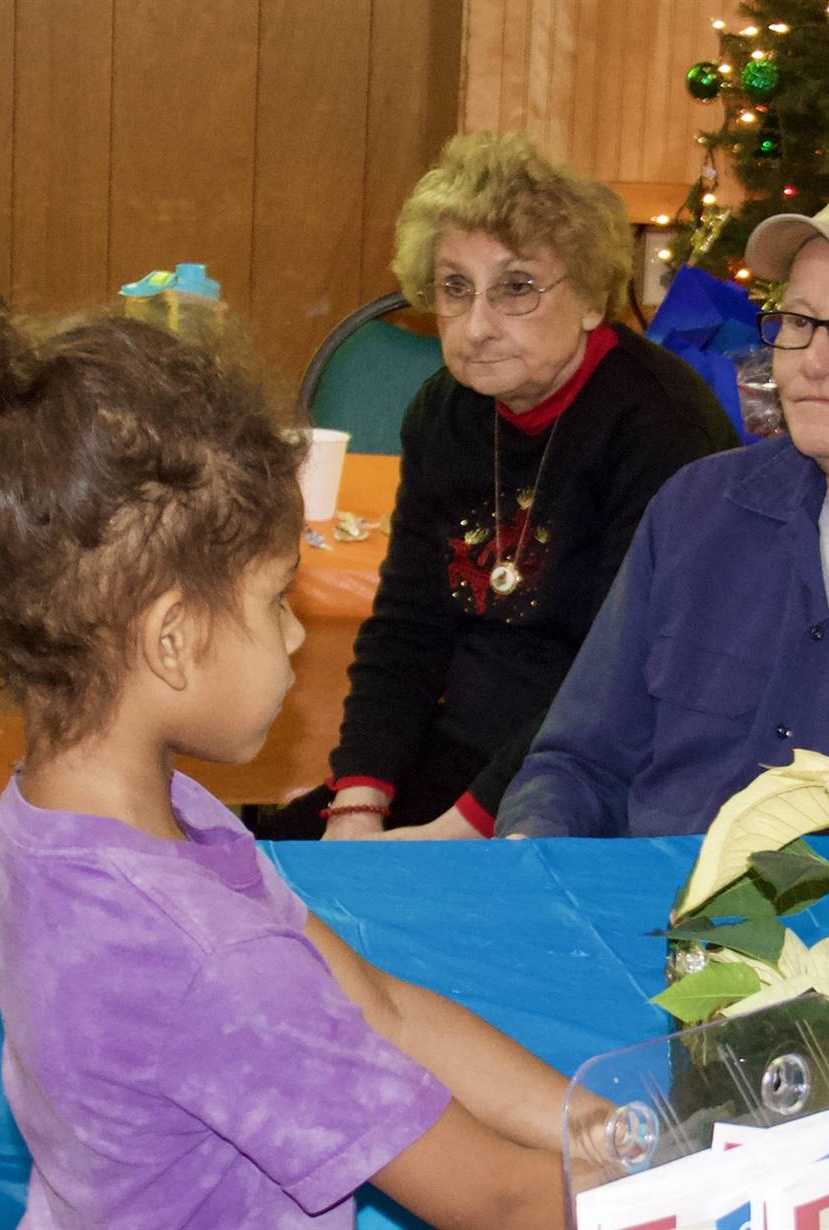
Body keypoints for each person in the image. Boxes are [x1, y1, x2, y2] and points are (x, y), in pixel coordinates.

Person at [0, 288, 574, 1226]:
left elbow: (379, 1008)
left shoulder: (95, 815)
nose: (300, 636)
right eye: (276, 600)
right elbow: (504, 1200)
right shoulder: (209, 964)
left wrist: (615, 1126)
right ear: (174, 639)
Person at [390, 169, 829, 841]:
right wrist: (536, 866)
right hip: (624, 928)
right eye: (799, 321)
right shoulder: (698, 511)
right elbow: (577, 763)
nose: (815, 358)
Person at [265, 132, 736, 841]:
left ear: (588, 298)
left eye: (516, 287)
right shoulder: (444, 412)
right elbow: (407, 627)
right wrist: (358, 803)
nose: (478, 325)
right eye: (456, 288)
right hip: (460, 755)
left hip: (597, 782)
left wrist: (455, 831)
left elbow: (617, 676)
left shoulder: (660, 427)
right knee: (269, 874)